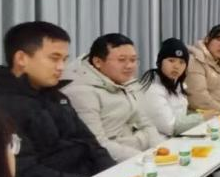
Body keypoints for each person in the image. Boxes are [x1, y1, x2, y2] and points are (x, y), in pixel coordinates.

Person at [0, 21, 113, 177]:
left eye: (64, 59)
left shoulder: (56, 96)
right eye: (54, 58)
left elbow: (91, 143)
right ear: (21, 58)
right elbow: (25, 174)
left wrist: (114, 175)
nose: (61, 67)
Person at [63, 32, 163, 161]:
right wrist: (144, 159)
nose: (129, 66)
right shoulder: (81, 91)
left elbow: (146, 124)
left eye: (133, 60)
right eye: (121, 60)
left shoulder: (127, 83)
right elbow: (97, 144)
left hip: (140, 155)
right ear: (98, 62)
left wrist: (161, 150)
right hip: (112, 163)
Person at [139, 38, 204, 136]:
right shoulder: (152, 88)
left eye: (181, 62)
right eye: (171, 60)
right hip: (157, 141)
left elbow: (180, 116)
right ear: (160, 62)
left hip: (174, 139)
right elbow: (170, 127)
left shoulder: (177, 85)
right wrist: (202, 117)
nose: (176, 66)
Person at [185, 24, 220, 111]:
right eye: (219, 40)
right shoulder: (195, 60)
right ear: (207, 39)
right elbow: (198, 97)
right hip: (199, 115)